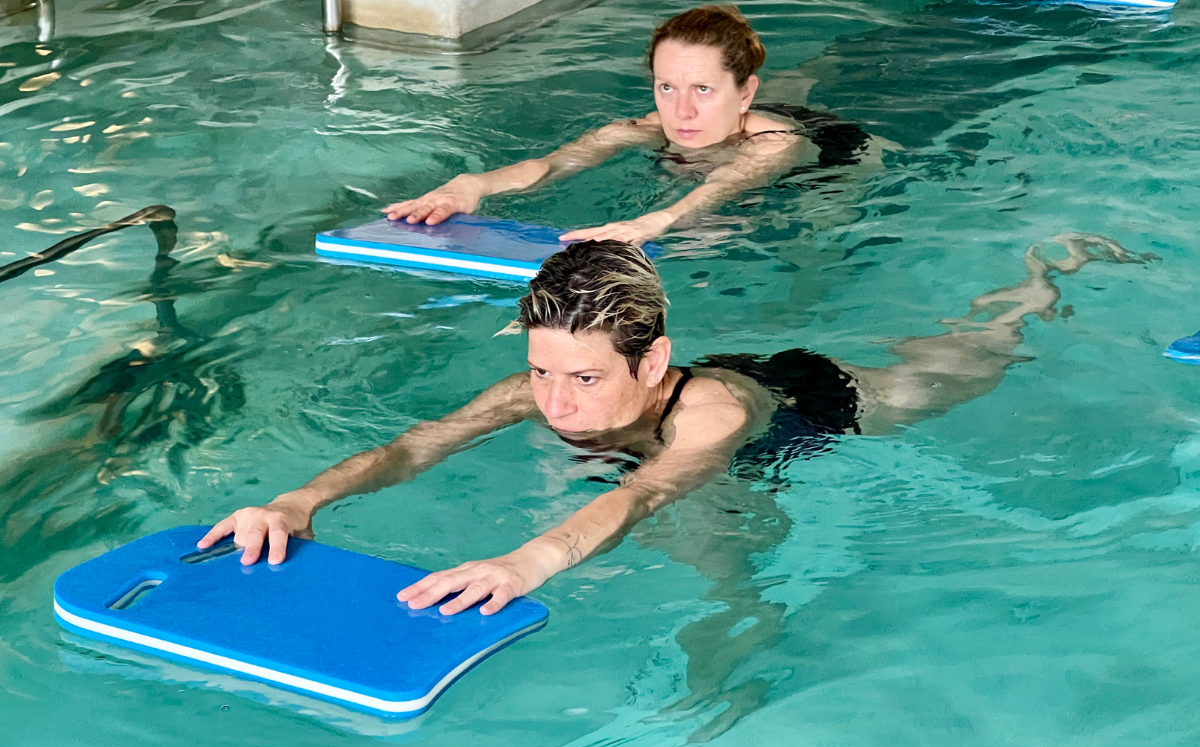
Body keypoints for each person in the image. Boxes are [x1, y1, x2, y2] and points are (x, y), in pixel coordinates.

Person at [198, 234, 1156, 619]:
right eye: (540, 373)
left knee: (959, 367)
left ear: (649, 365)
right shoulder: (547, 380)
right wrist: (300, 498)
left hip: (802, 406)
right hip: (671, 398)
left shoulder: (711, 411)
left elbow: (651, 488)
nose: (555, 403)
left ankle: (1040, 281)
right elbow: (416, 444)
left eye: (581, 379)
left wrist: (527, 562)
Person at [380, 5, 874, 247]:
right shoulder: (649, 126)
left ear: (744, 92)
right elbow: (551, 165)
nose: (679, 112)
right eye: (666, 87)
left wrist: (652, 221)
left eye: (701, 89)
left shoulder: (774, 146)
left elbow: (721, 187)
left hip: (835, 152)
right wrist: (473, 186)